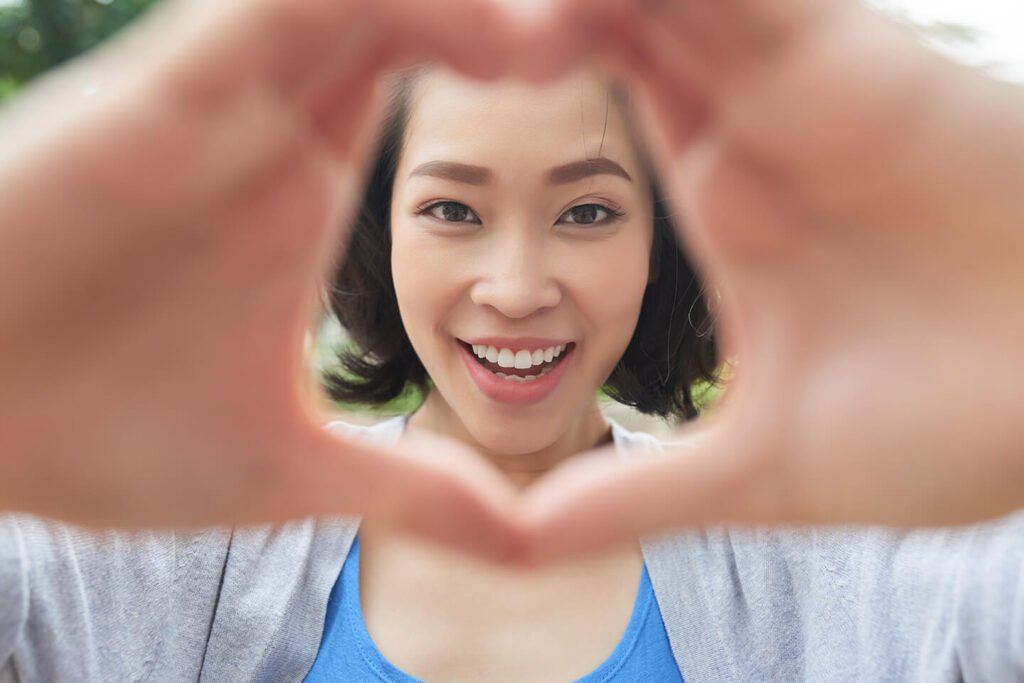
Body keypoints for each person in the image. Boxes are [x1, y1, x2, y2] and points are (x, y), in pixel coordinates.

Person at [2, 0, 1024, 680]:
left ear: (660, 244)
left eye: (586, 213)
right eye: (453, 209)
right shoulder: (193, 534)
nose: (518, 287)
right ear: (379, 232)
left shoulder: (816, 551)